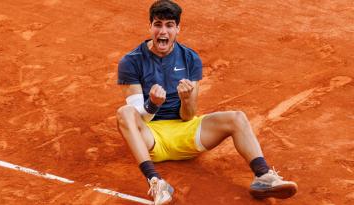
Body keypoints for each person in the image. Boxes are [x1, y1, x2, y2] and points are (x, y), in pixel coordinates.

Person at [116, 0, 298, 204]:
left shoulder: (190, 58)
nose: (163, 31)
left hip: (186, 134)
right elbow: (137, 116)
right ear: (150, 27)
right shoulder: (131, 61)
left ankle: (263, 176)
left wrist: (186, 100)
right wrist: (153, 104)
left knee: (237, 118)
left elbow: (189, 116)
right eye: (158, 24)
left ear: (178, 28)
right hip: (152, 138)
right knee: (124, 113)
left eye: (169, 25)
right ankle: (156, 182)